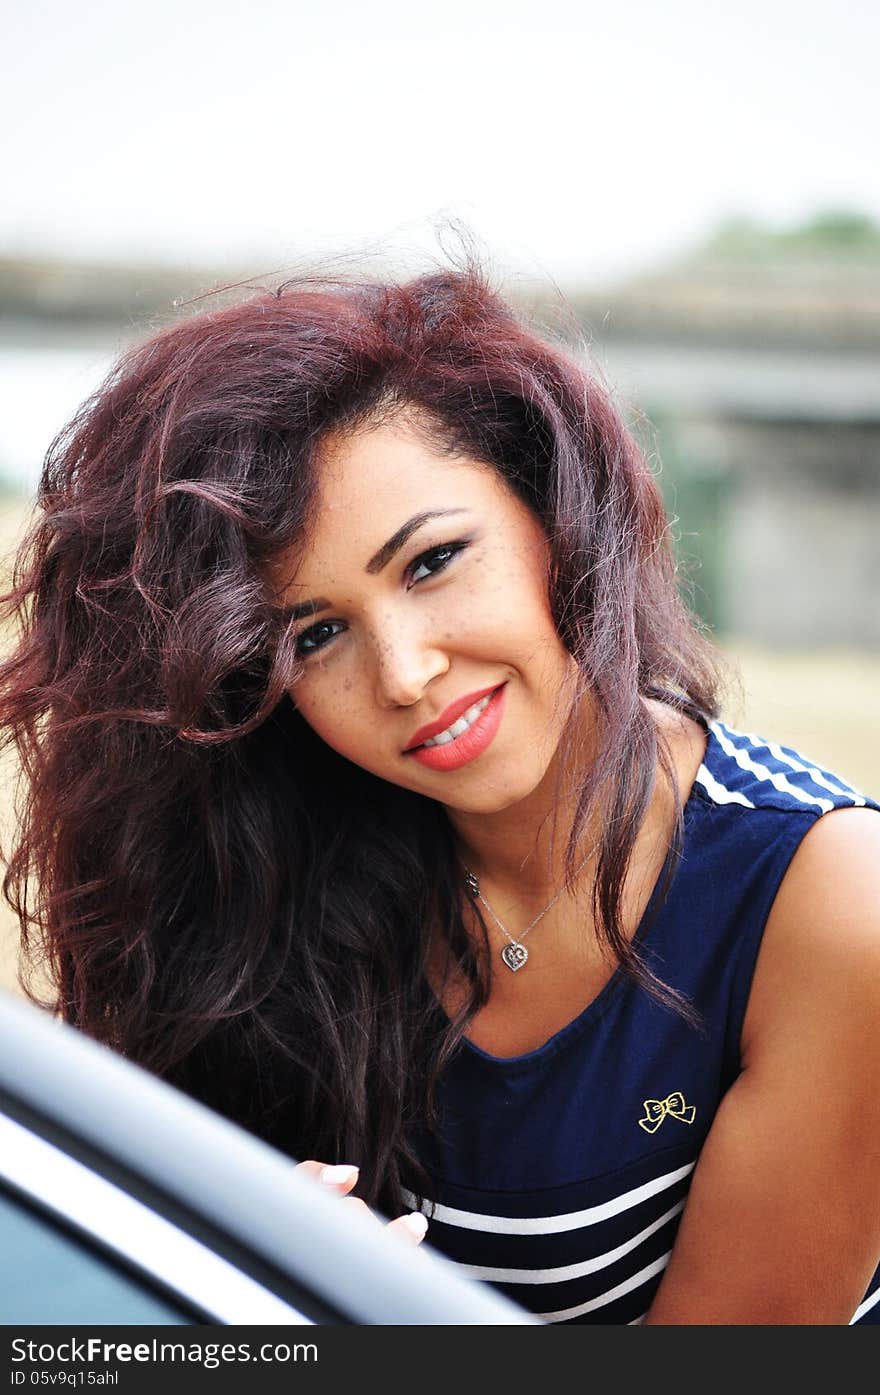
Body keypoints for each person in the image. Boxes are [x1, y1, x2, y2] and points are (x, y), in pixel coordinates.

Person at [2, 261, 879, 1325]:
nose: (405, 674)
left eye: (431, 563)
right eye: (312, 635)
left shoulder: (829, 904)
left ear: (551, 513)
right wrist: (244, 1267)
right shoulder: (282, 866)